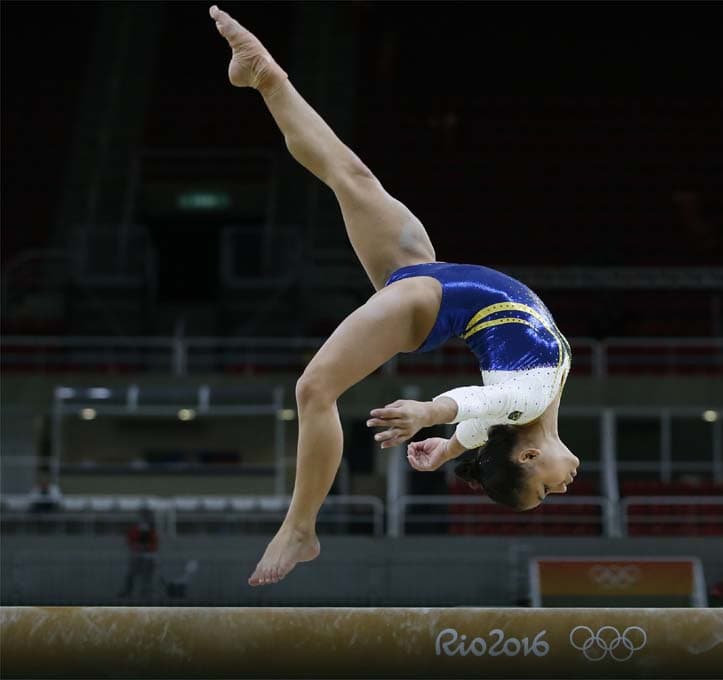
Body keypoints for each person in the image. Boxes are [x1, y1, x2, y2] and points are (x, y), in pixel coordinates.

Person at [209, 6, 580, 587]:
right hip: (432, 278)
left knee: (314, 390)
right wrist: (448, 449)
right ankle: (265, 76)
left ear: (529, 458)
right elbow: (482, 420)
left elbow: (474, 405)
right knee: (352, 177)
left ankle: (300, 526)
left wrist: (429, 415)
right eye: (548, 495)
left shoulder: (523, 405)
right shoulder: (523, 411)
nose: (560, 490)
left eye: (543, 494)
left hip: (430, 300)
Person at [117, 509, 159, 600]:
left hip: (148, 556)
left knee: (146, 575)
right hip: (138, 555)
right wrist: (136, 547)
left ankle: (146, 592)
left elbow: (154, 544)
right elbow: (130, 540)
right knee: (131, 574)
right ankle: (129, 591)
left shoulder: (151, 529)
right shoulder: (136, 529)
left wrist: (146, 547)